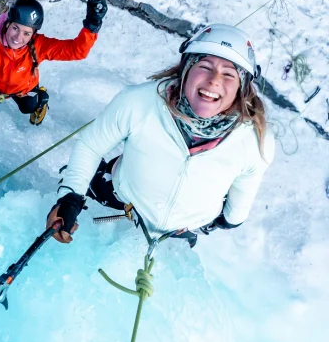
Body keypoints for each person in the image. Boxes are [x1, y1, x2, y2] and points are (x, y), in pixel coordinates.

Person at [46, 23, 275, 243]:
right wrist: (70, 198)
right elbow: (91, 146)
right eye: (204, 67)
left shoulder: (255, 141)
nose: (214, 80)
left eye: (229, 74)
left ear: (241, 87)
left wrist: (227, 218)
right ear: (186, 70)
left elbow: (239, 204)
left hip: (181, 228)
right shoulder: (139, 102)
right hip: (125, 201)